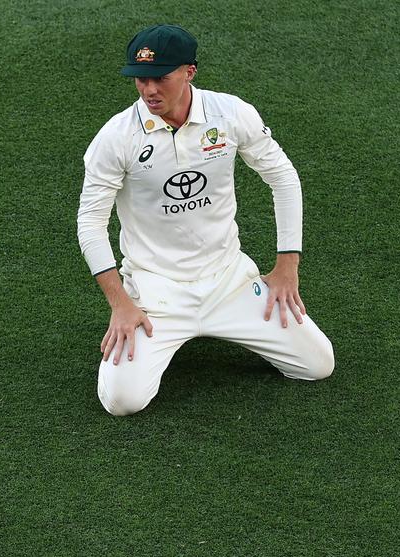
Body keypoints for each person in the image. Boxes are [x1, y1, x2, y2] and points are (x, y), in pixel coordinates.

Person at [77, 24, 334, 416]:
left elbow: (283, 177)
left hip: (229, 281)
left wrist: (287, 266)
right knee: (122, 402)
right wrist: (121, 303)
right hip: (156, 291)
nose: (149, 91)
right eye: (141, 79)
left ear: (189, 72)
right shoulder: (116, 138)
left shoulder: (230, 114)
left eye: (160, 78)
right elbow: (91, 225)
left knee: (319, 366)